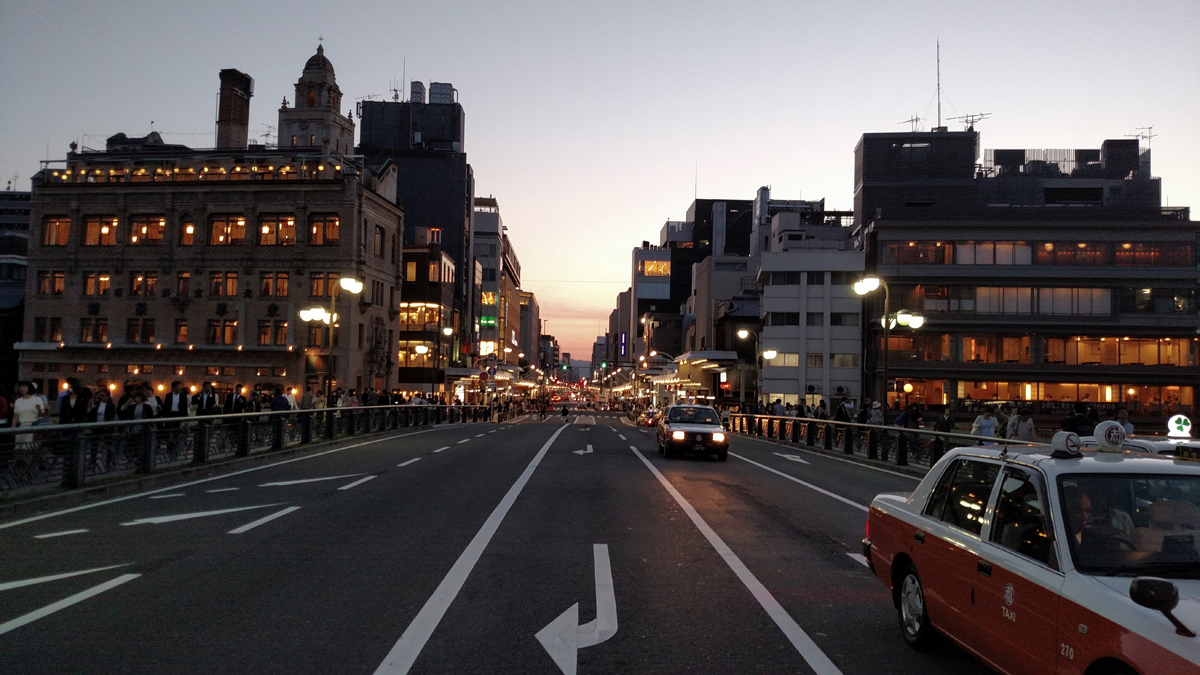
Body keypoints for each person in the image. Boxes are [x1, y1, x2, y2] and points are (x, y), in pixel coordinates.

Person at [13, 381, 46, 448]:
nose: (22, 389)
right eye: (20, 387)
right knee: (19, 449)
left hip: (33, 426)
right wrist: (13, 428)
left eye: (24, 387)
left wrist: (39, 410)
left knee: (29, 449)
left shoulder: (37, 399)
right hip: (21, 426)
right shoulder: (18, 401)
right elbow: (16, 416)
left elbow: (42, 413)